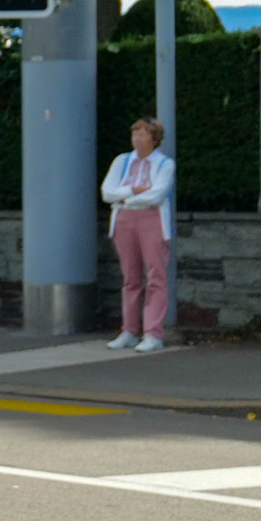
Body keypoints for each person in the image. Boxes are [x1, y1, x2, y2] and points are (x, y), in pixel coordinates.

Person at [100, 116, 176, 352]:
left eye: (143, 134)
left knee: (155, 275)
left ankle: (153, 333)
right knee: (130, 277)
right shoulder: (121, 161)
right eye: (135, 134)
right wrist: (132, 189)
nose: (137, 139)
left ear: (154, 138)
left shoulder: (165, 164)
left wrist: (124, 199)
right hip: (124, 221)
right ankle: (130, 330)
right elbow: (107, 192)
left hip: (151, 219)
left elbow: (156, 195)